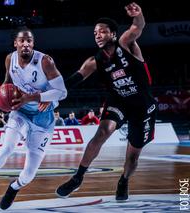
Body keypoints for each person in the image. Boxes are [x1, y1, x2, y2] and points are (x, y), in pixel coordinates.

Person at [56, 2, 157, 201]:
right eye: (95, 33)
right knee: (103, 131)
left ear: (112, 34)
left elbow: (138, 26)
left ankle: (124, 180)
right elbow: (75, 79)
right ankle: (77, 177)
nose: (98, 35)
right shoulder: (94, 60)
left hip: (142, 105)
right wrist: (51, 95)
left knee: (133, 154)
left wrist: (139, 14)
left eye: (102, 31)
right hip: (118, 100)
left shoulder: (126, 43)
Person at [0, 27, 67, 210]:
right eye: (22, 41)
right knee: (6, 147)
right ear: (16, 44)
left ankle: (13, 188)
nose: (25, 44)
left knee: (29, 174)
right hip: (20, 113)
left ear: (33, 44)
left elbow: (62, 92)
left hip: (43, 120)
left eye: (29, 41)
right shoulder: (9, 59)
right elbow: (7, 82)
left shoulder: (45, 61)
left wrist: (38, 97)